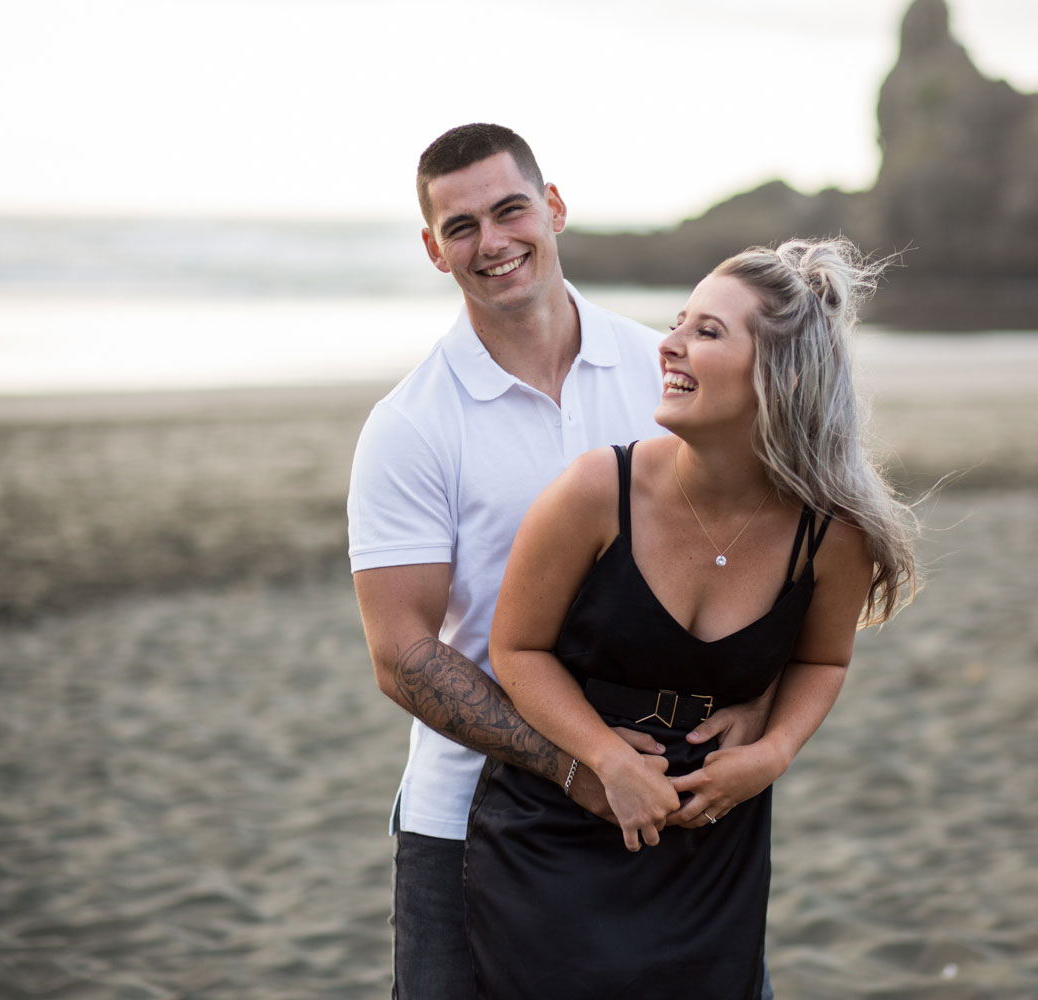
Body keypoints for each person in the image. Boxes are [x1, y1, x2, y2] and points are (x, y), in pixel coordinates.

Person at [348, 123, 778, 999]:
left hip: (668, 798)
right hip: (465, 818)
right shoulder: (411, 425)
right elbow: (401, 653)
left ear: (555, 208)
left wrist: (760, 703)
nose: (493, 242)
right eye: (461, 227)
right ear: (433, 250)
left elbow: (764, 541)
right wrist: (576, 763)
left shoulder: (665, 369)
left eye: (511, 210)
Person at [464, 238, 918, 998]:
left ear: (784, 374)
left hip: (715, 853)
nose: (668, 345)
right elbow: (516, 650)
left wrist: (773, 754)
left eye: (707, 331)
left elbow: (822, 662)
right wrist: (604, 761)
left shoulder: (831, 534)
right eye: (679, 322)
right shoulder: (594, 491)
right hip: (555, 837)